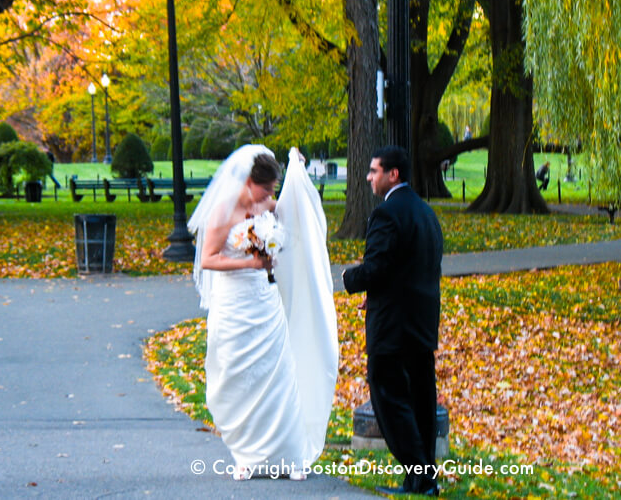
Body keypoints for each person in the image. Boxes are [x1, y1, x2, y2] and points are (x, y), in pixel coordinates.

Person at [188, 144, 337, 482]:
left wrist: (296, 169)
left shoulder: (265, 203)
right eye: (267, 187)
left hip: (264, 301)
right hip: (233, 301)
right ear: (248, 181)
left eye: (272, 189)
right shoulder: (223, 212)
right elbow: (209, 259)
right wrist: (250, 262)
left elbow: (291, 204)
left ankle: (290, 455)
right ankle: (248, 456)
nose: (271, 195)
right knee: (239, 378)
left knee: (278, 374)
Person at [342, 145, 443, 497]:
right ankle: (421, 478)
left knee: (388, 397)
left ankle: (422, 474)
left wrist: (348, 280)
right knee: (421, 400)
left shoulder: (386, 215)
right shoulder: (426, 212)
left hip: (393, 327)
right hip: (421, 321)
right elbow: (412, 265)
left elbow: (377, 267)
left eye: (374, 171)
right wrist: (380, 290)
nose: (369, 177)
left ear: (393, 174)